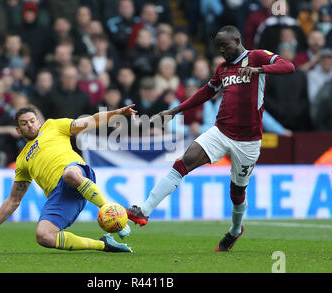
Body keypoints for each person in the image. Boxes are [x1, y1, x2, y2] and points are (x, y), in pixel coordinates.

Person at [126, 25, 295, 252]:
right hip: (221, 131)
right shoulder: (223, 68)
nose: (222, 51)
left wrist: (259, 70)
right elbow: (207, 92)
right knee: (183, 162)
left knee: (237, 192)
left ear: (237, 40)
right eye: (219, 47)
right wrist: (175, 111)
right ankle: (144, 211)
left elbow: (288, 66)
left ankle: (235, 230)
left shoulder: (256, 56)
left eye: (225, 46)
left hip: (248, 141)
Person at [0, 104, 137, 253]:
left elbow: (91, 121)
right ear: (18, 130)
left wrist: (115, 113)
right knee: (43, 236)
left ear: (38, 121)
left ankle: (113, 211)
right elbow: (13, 200)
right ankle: (104, 245)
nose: (30, 125)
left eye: (32, 121)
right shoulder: (21, 161)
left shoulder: (53, 126)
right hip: (61, 195)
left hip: (77, 172)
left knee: (69, 174)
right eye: (24, 123)